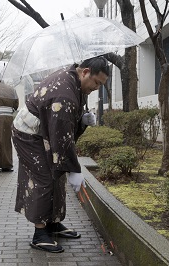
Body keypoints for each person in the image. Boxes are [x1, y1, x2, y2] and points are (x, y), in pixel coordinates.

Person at [11, 56, 109, 253]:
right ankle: (40, 233)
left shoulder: (74, 80)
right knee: (44, 178)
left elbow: (65, 128)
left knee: (57, 174)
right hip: (28, 134)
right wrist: (74, 169)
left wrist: (82, 119)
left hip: (45, 131)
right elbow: (61, 138)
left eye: (101, 85)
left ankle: (54, 222)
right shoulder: (64, 94)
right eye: (96, 83)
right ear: (85, 72)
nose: (97, 88)